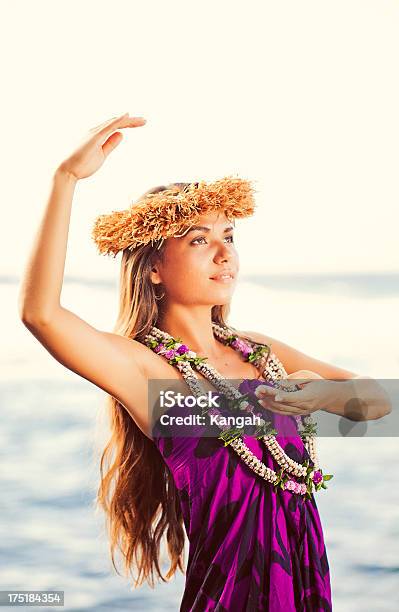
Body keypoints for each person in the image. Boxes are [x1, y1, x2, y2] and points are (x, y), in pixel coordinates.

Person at [18, 113, 387, 611]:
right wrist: (66, 179)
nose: (223, 253)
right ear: (152, 269)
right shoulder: (148, 371)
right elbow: (41, 315)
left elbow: (379, 401)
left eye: (229, 237)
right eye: (198, 239)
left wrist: (326, 394)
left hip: (305, 588)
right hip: (230, 597)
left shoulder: (258, 352)